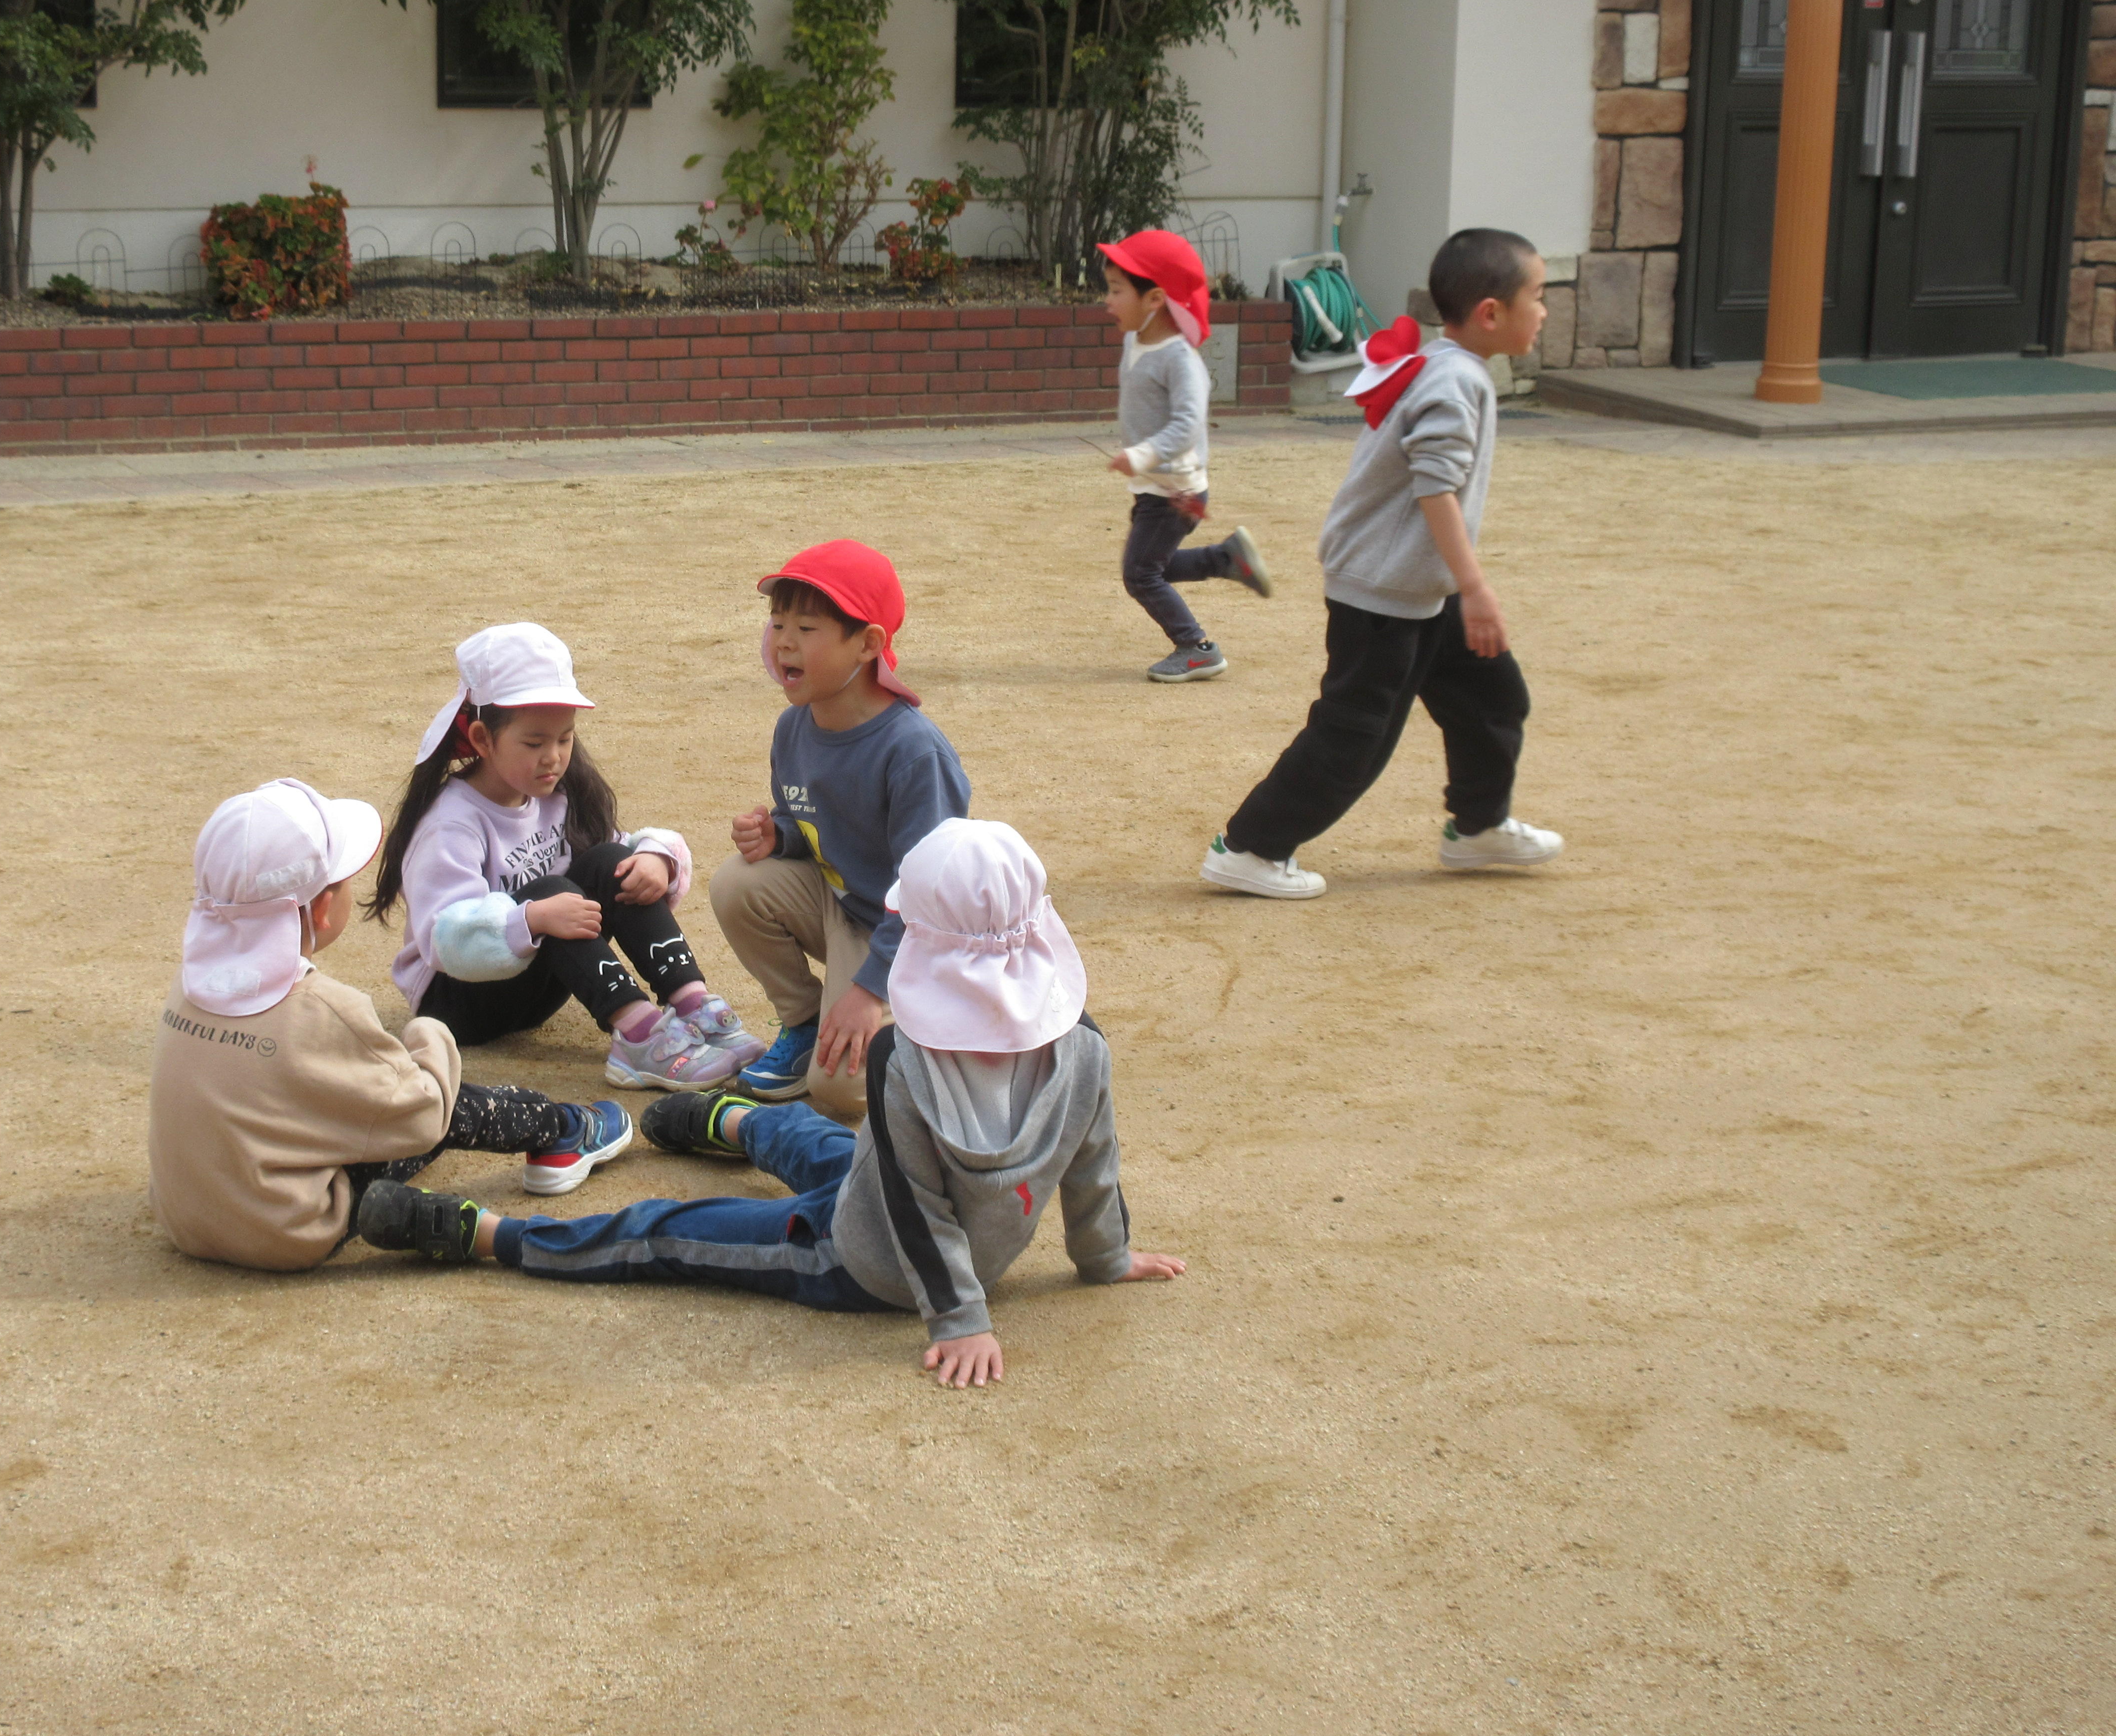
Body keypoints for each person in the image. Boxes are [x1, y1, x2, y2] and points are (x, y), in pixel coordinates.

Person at [354, 818, 1187, 1389]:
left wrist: (959, 1317)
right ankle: (735, 1121)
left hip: (860, 1260)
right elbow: (1093, 1161)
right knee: (824, 1144)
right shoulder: (1084, 1044)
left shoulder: (903, 1059)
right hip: (904, 1205)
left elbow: (913, 1202)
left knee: (665, 1233)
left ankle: (490, 1233)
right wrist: (1104, 1254)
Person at [1200, 227, 1565, 900]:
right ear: (1492, 313)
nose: (1545, 311)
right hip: (1383, 594)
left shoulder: (1447, 367)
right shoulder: (1454, 380)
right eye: (1538, 296)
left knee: (1493, 698)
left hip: (1420, 588)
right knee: (1355, 735)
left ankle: (1478, 826)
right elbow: (1435, 488)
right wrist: (1476, 588)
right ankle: (1250, 848)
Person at [149, 778, 633, 1272]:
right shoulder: (327, 1010)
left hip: (185, 1220)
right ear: (323, 908)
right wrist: (428, 1036)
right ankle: (566, 1128)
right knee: (437, 1100)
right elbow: (423, 1115)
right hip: (290, 1230)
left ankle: (413, 1215)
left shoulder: (188, 986)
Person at [367, 622, 765, 1095]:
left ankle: (694, 1004)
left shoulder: (557, 793)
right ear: (482, 739)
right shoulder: (451, 823)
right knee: (550, 892)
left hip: (533, 984)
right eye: (534, 743)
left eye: (565, 738)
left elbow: (611, 857)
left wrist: (657, 859)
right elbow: (446, 940)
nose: (554, 757)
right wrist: (532, 919)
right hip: (459, 1001)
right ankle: (640, 1037)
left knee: (614, 860)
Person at [710, 540, 973, 1118]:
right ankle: (805, 1024)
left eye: (807, 628)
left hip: (918, 938)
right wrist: (778, 835)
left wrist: (868, 991)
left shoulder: (913, 752)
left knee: (841, 1093)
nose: (783, 641)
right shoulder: (794, 727)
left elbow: (932, 896)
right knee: (738, 883)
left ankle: (942, 1032)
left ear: (869, 644)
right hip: (848, 909)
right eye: (778, 622)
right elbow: (807, 820)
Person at [1096, 228, 1271, 684]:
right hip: (1156, 487)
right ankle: (1227, 559)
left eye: (1116, 290)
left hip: (1176, 492)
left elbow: (1189, 423)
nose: (1108, 301)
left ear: (1155, 299)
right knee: (1153, 565)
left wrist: (1143, 454)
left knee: (1140, 574)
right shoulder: (1137, 340)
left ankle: (1196, 648)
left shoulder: (1180, 359)